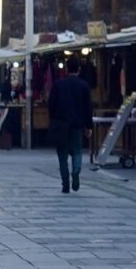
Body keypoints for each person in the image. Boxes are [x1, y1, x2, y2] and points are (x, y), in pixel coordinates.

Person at [47, 59, 93, 192]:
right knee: (77, 151)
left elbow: (51, 104)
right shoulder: (84, 86)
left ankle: (65, 183)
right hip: (77, 125)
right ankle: (76, 172)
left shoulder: (58, 84)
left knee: (62, 153)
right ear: (79, 69)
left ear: (66, 69)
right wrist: (89, 126)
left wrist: (53, 120)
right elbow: (88, 108)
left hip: (60, 124)